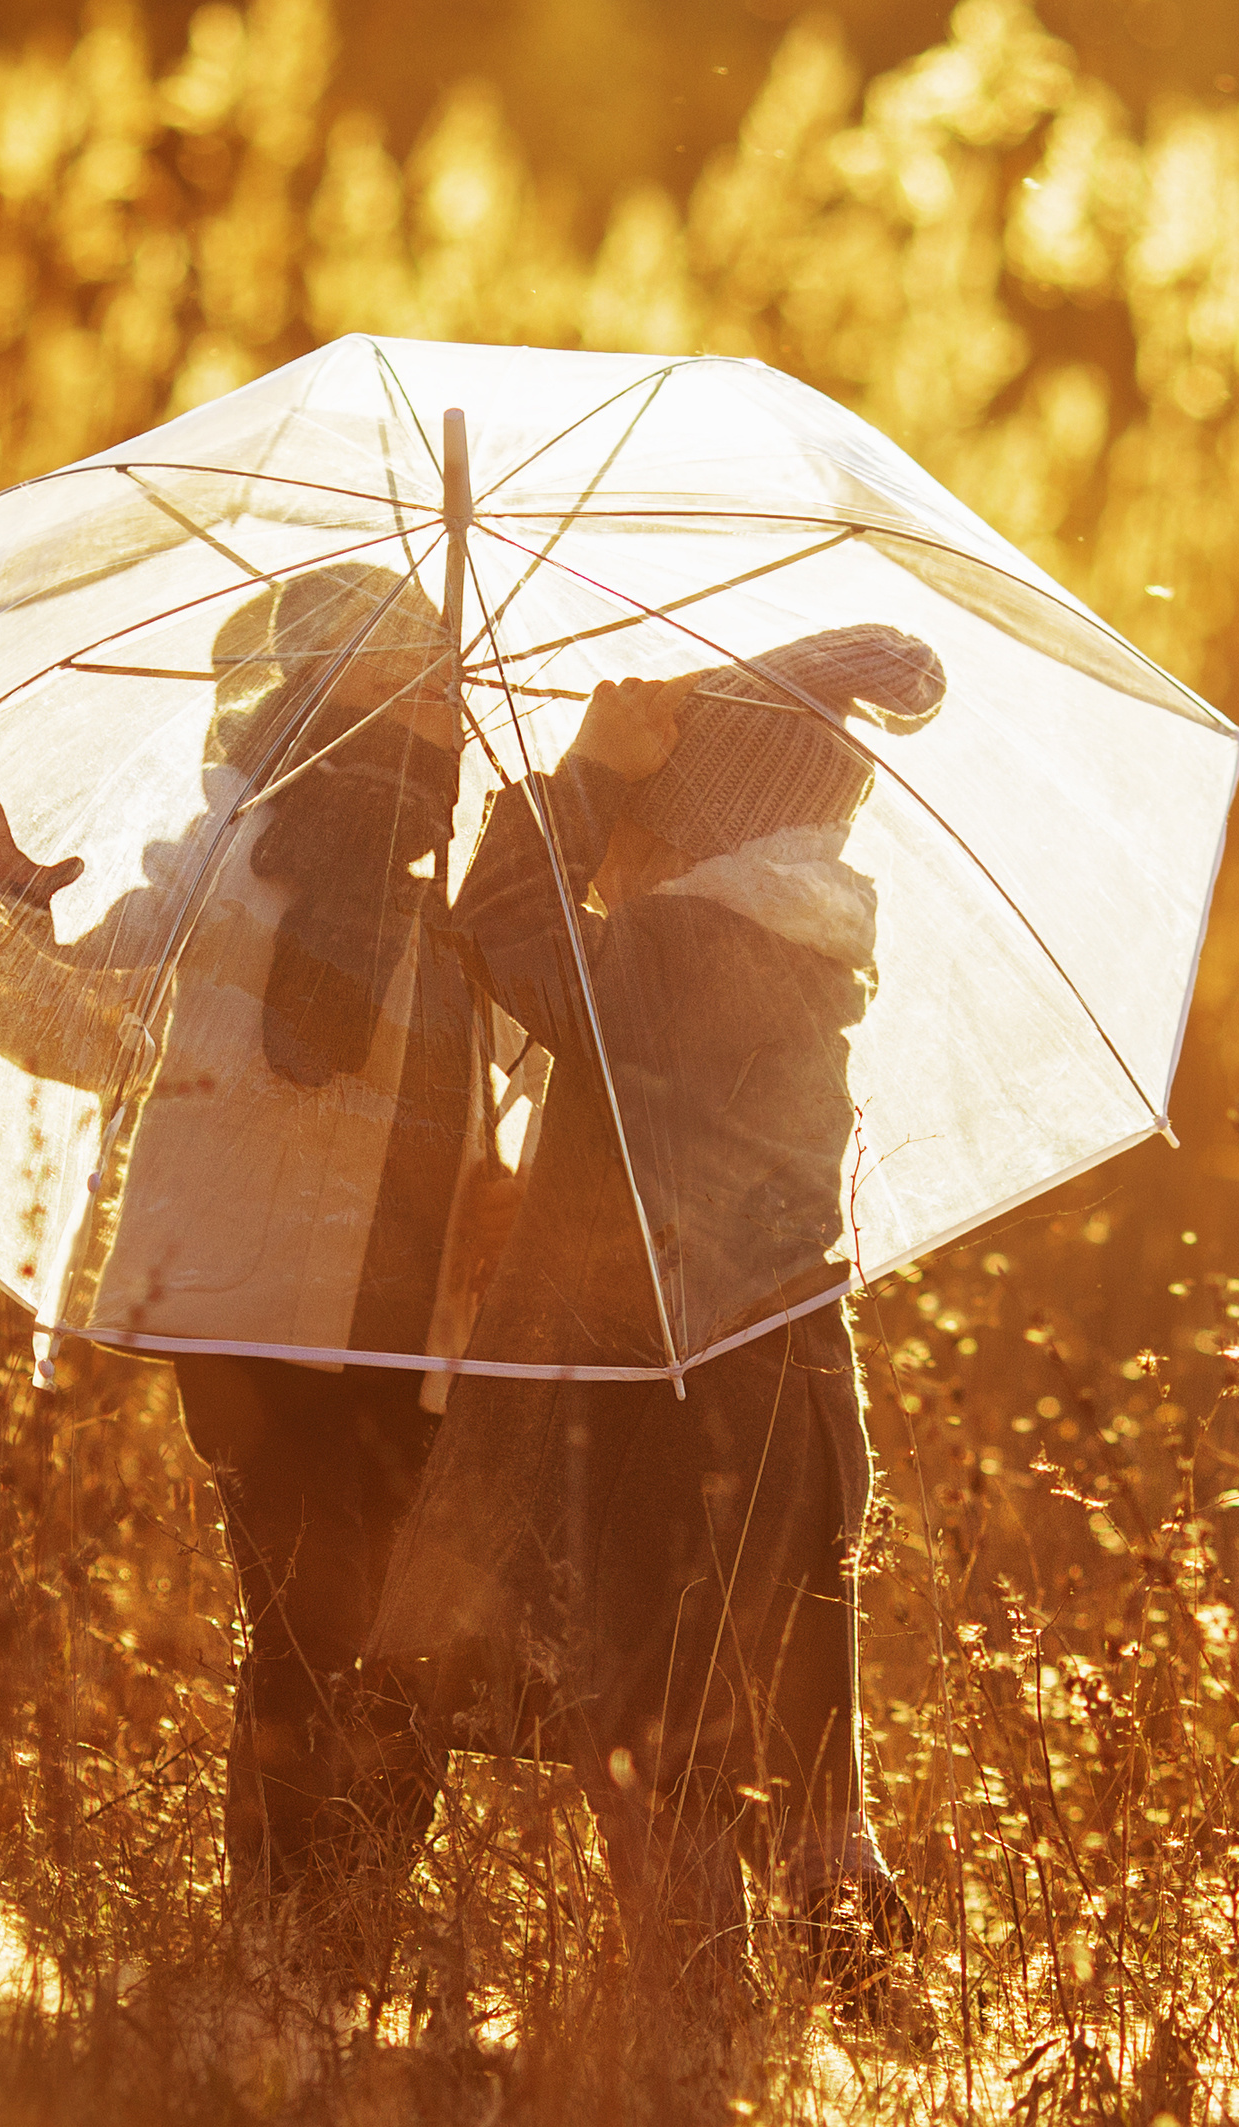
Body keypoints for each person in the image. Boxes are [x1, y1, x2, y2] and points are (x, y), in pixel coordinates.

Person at [0, 561, 515, 1992]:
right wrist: (7, 923)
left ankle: (339, 1919)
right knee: (311, 1617)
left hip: (413, 1326)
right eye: (382, 684)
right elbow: (83, 1032)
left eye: (431, 686)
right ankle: (284, 1934)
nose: (417, 715)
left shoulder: (473, 894)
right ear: (301, 703)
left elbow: (549, 1068)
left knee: (395, 1640)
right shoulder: (217, 862)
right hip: (245, 1319)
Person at [363, 622, 946, 2015]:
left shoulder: (706, 939)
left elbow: (512, 933)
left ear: (702, 819)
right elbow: (623, 1112)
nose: (622, 831)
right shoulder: (775, 943)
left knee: (654, 1736)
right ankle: (818, 2008)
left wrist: (575, 775)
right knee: (781, 1736)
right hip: (774, 1393)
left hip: (676, 1403)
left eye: (648, 804)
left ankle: (707, 2042)